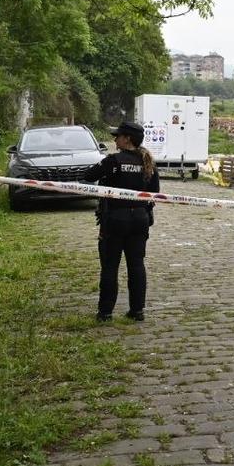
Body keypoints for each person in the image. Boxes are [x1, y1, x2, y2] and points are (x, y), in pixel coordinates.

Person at [81, 121, 160, 322]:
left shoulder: (113, 161)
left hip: (115, 219)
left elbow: (88, 176)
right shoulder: (148, 162)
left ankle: (105, 312)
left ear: (127, 139)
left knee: (110, 266)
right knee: (136, 265)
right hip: (140, 219)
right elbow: (155, 193)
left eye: (118, 136)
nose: (115, 139)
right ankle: (137, 311)